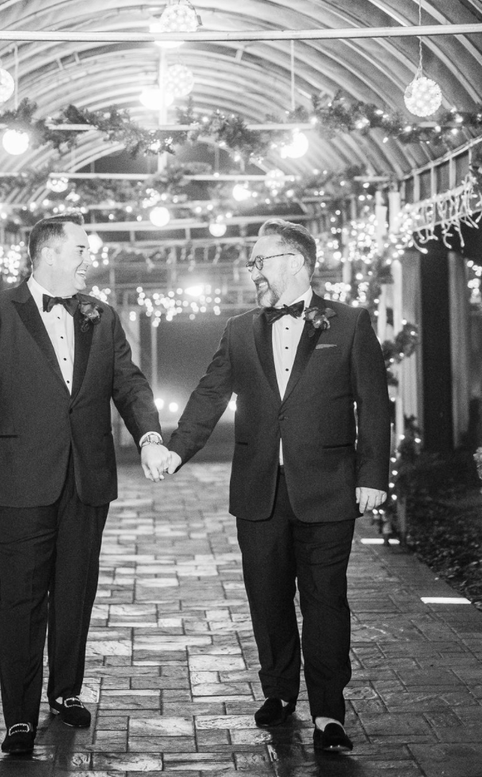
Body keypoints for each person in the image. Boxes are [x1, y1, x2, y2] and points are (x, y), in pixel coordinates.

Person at [0, 213, 169, 755]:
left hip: (86, 477)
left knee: (75, 591)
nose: (87, 259)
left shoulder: (102, 316)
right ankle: (19, 717)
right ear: (47, 253)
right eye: (79, 249)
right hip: (19, 476)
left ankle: (64, 693)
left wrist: (151, 435)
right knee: (21, 597)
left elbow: (128, 383)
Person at [165, 217, 390, 752]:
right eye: (252, 262)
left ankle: (329, 714)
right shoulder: (240, 328)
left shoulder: (350, 323)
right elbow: (209, 394)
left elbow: (374, 405)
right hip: (258, 488)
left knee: (325, 599)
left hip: (330, 486)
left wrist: (373, 476)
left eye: (259, 261)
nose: (252, 271)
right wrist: (175, 450)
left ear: (295, 261)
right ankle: (280, 693)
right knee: (267, 597)